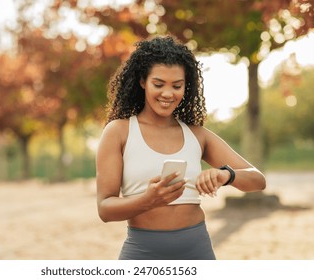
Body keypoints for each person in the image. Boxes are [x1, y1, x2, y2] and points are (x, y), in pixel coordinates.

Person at [95, 35, 266, 260]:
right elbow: (105, 209)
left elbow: (258, 180)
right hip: (142, 252)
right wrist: (149, 199)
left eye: (177, 85)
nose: (168, 94)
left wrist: (226, 175)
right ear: (142, 81)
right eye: (158, 84)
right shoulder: (119, 132)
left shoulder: (197, 135)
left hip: (197, 250)